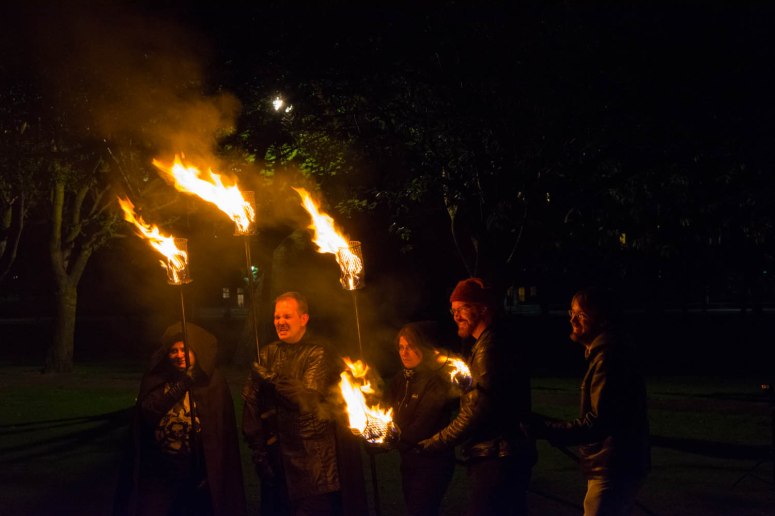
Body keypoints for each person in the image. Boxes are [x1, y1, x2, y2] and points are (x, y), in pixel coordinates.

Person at [525, 287, 650, 516]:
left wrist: (546, 430)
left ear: (602, 319)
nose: (572, 320)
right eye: (571, 313)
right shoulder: (608, 353)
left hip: (613, 465)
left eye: (581, 315)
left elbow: (599, 422)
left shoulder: (609, 358)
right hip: (618, 463)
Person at [418, 277, 536, 516]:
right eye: (453, 310)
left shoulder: (489, 348)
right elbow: (490, 395)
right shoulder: (491, 342)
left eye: (462, 309)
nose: (456, 316)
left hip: (497, 456)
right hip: (504, 454)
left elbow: (476, 411)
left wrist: (436, 442)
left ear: (483, 308)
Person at [241, 291, 367, 516]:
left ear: (303, 318)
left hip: (312, 462)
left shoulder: (317, 353)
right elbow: (251, 403)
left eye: (287, 316)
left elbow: (305, 398)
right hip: (276, 460)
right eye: (277, 317)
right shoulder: (267, 353)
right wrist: (258, 451)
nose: (280, 322)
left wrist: (271, 378)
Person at [114, 322, 246, 516]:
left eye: (184, 350)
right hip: (161, 468)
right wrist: (181, 384)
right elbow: (148, 412)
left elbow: (220, 433)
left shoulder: (213, 382)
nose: (179, 355)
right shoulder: (158, 378)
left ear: (195, 351)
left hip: (197, 468)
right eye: (173, 351)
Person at [385, 321, 459, 516]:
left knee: (422, 509)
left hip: (432, 462)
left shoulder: (436, 380)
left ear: (423, 347)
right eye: (401, 347)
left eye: (410, 347)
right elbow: (384, 411)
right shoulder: (399, 380)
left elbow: (422, 426)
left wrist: (389, 439)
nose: (404, 352)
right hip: (408, 460)